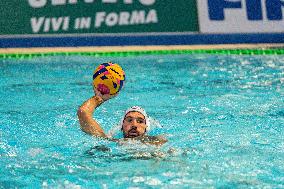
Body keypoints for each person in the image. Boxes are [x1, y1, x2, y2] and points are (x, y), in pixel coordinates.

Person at [77, 89, 167, 146]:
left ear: (146, 127)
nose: (134, 125)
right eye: (129, 120)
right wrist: (99, 98)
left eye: (140, 121)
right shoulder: (109, 142)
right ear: (122, 126)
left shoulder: (157, 141)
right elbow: (83, 112)